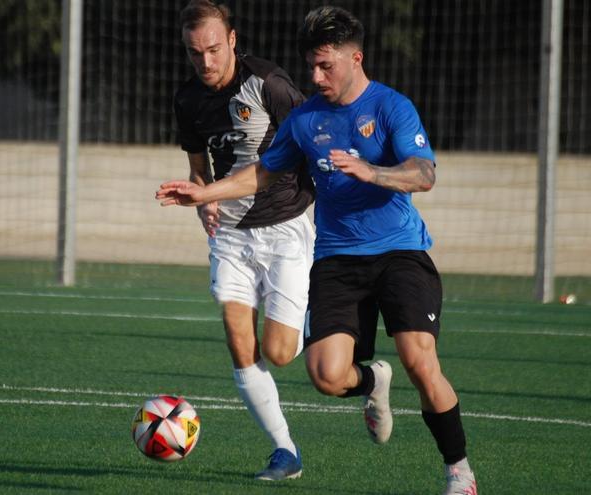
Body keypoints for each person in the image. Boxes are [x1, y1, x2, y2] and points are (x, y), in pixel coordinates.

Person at [157, 6, 477, 494]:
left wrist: (376, 173)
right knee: (326, 376)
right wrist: (203, 194)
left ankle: (458, 472)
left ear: (356, 59)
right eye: (311, 65)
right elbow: (265, 171)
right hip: (335, 258)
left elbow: (424, 173)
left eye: (325, 65)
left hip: (398, 251)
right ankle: (372, 383)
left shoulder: (390, 107)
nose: (315, 75)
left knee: (419, 359)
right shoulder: (306, 119)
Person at [172, 0, 314, 481]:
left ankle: (327, 322)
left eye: (213, 49)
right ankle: (285, 451)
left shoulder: (269, 84)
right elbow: (198, 167)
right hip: (230, 234)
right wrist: (204, 199)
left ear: (232, 40)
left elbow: (307, 143)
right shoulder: (188, 99)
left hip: (286, 225)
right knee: (238, 339)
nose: (206, 62)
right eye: (195, 54)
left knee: (278, 351)